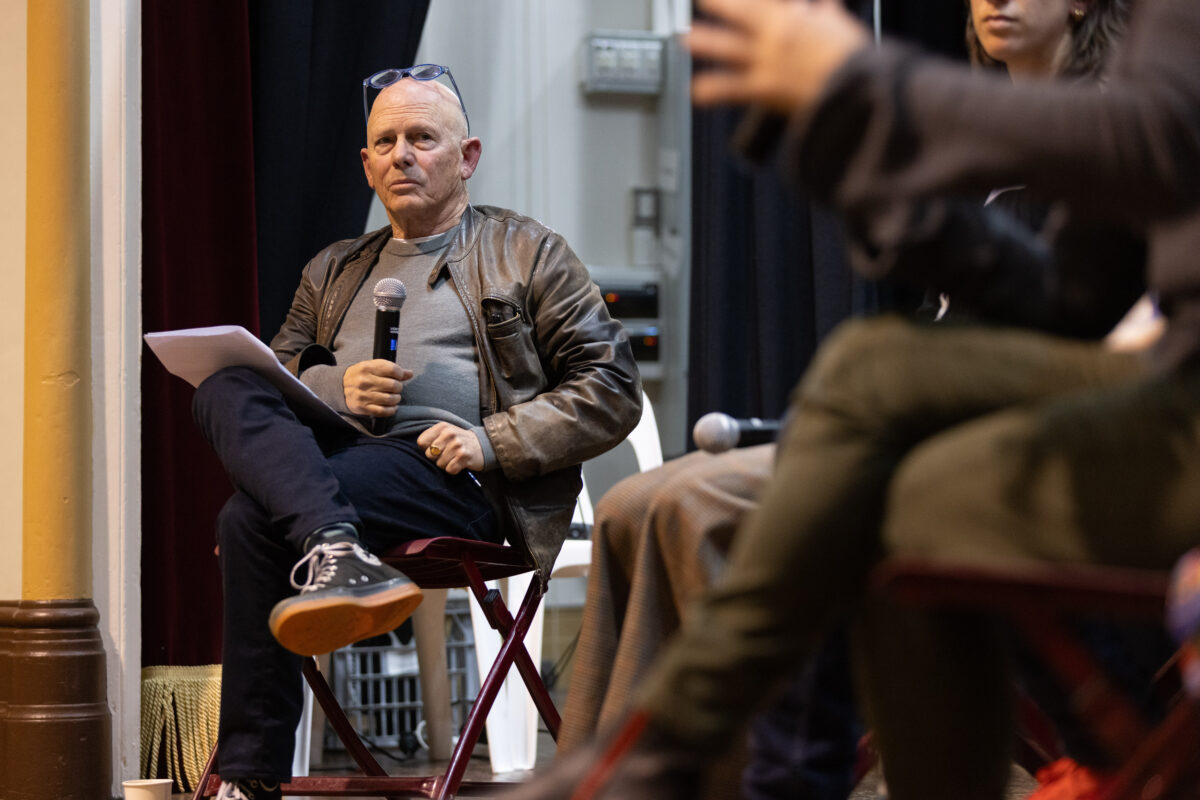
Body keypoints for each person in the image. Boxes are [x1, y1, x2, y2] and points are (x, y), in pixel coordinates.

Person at [506, 0, 1200, 796]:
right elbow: (1070, 295)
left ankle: (678, 748)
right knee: (903, 497)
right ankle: (680, 752)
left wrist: (869, 85)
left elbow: (1156, 134)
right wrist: (862, 163)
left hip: (1164, 402)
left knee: (867, 385)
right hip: (1161, 395)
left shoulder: (1113, 101)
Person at [191, 65, 642, 800]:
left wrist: (492, 439)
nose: (401, 154)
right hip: (341, 465)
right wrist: (334, 385)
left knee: (248, 520)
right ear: (366, 165)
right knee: (223, 383)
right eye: (385, 141)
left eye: (422, 138)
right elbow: (277, 372)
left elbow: (612, 386)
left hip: (460, 479)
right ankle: (334, 545)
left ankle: (248, 775)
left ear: (467, 157)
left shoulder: (528, 253)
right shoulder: (332, 269)